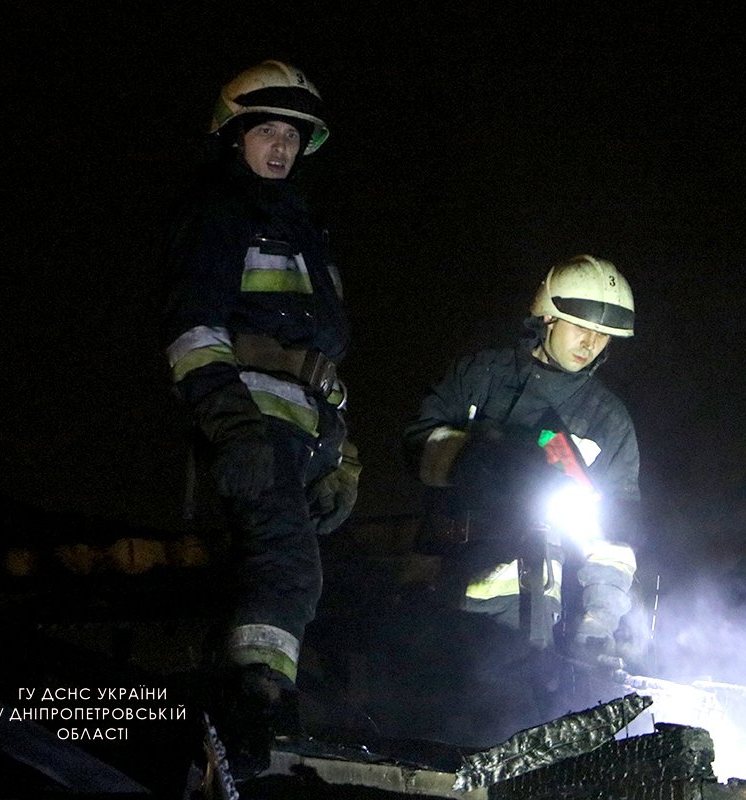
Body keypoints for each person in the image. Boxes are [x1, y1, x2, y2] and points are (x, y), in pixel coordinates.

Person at [160, 59, 359, 768]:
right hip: (250, 427)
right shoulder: (220, 213)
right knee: (287, 571)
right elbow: (192, 329)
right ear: (232, 135)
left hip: (300, 441)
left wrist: (341, 449)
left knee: (284, 580)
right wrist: (229, 421)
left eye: (293, 135)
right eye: (266, 130)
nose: (280, 146)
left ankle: (232, 722)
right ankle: (254, 722)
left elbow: (319, 364)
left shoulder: (308, 231)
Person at [402, 254, 641, 741]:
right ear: (547, 316)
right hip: (439, 593)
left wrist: (599, 619)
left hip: (524, 618)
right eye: (580, 328)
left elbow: (614, 539)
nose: (591, 344)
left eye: (603, 336)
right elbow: (417, 444)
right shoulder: (482, 377)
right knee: (420, 738)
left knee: (501, 739)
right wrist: (478, 459)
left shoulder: (607, 421)